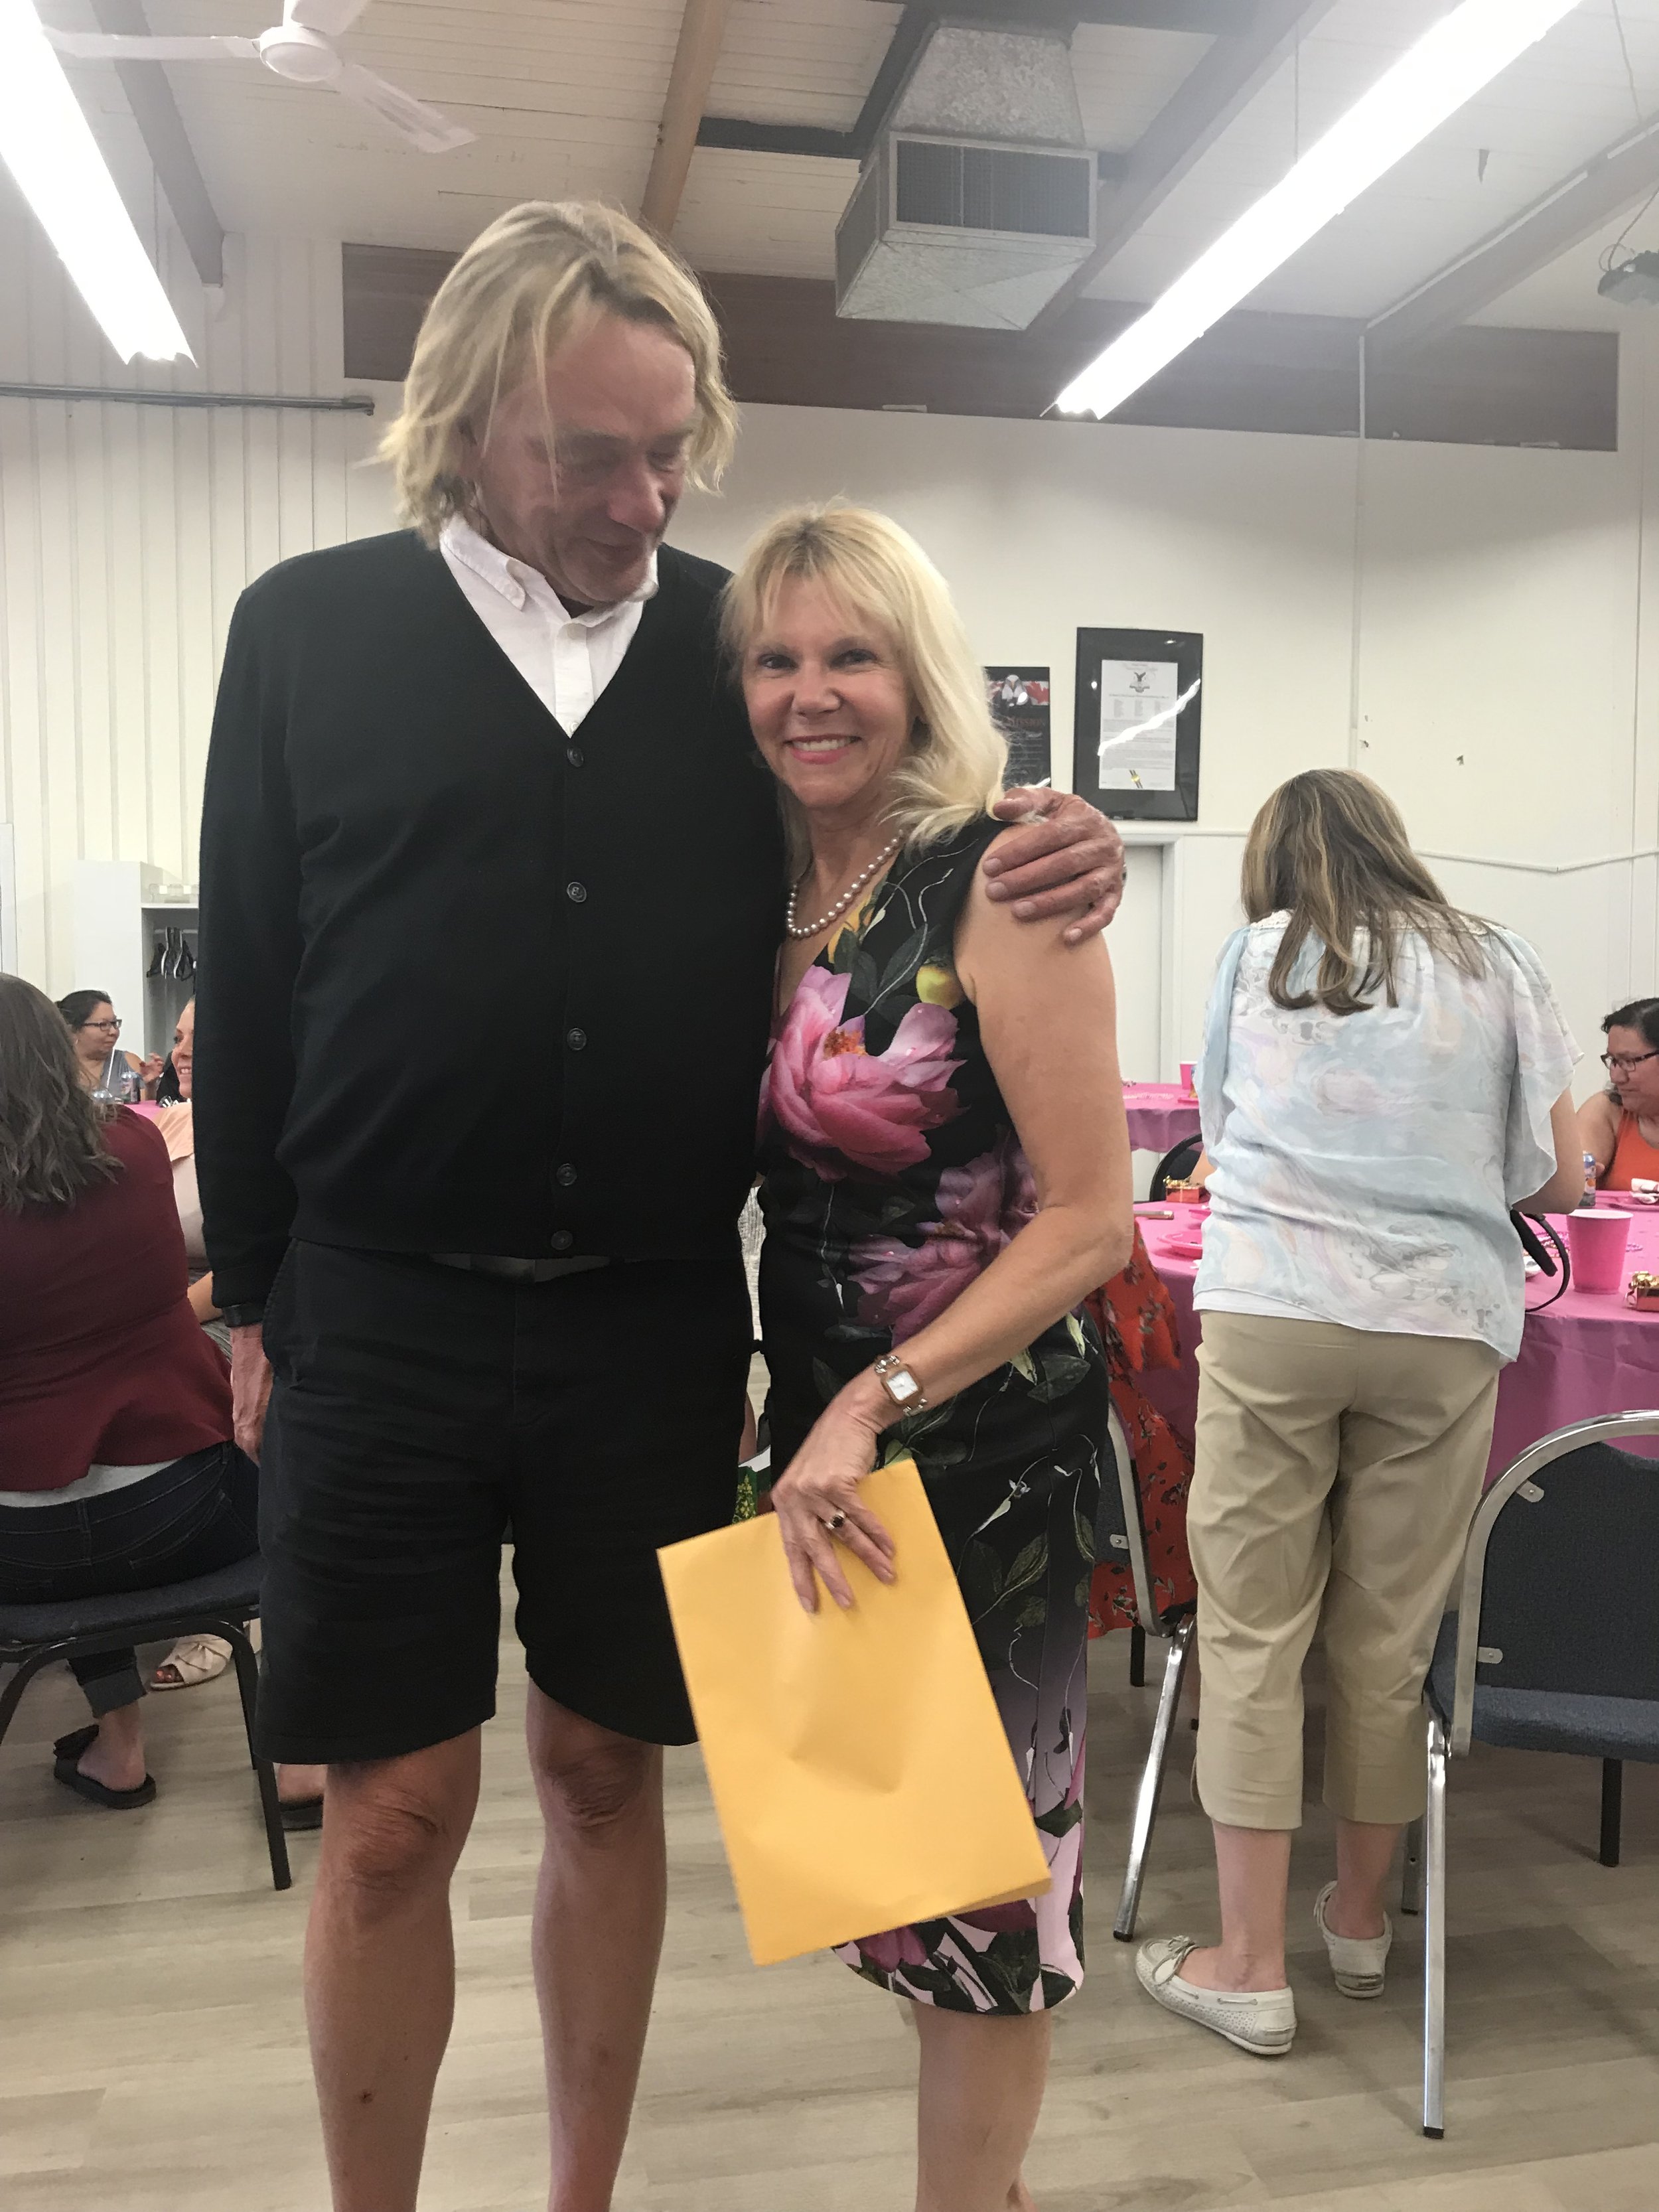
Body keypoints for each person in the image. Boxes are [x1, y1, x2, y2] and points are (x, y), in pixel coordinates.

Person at [192, 198, 1125, 2212]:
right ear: (463, 432)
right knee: (386, 1815)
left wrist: (1054, 833)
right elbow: (248, 983)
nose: (644, 492)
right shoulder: (306, 630)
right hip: (371, 1312)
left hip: (646, 1327)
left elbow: (888, 814)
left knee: (605, 1772)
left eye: (670, 443)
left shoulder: (722, 648)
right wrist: (248, 1305)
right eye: (586, 453)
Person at [731, 505, 1133, 2212]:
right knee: (908, 1905)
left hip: (978, 1458)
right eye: (776, 657)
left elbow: (1094, 1221)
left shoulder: (1000, 874)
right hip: (830, 1472)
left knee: (990, 1923)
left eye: (852, 656)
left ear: (919, 675)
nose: (811, 694)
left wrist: (866, 1397)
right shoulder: (764, 892)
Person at [1136, 770, 1582, 2059]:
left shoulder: (1255, 953)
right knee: (1386, 1644)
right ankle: (1357, 1922)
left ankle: (1245, 1965)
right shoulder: (1496, 957)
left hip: (1276, 1304)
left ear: (1275, 861)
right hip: (1442, 1320)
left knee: (1253, 1631)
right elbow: (1553, 1171)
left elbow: (1217, 1129)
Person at [0, 977, 324, 1820]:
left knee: (62, 1513)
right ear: (53, 1049)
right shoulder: (135, 1153)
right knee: (296, 1500)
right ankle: (301, 1759)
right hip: (174, 1516)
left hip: (15, 1551)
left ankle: (121, 1747)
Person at [141, 998, 236, 1692]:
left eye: (200, 1039)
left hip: (230, 1311)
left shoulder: (255, 1132)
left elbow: (246, 1265)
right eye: (177, 1038)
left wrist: (160, 1321)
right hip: (157, 1308)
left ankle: (215, 1605)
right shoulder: (169, 1120)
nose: (181, 1051)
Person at [1578, 996, 1659, 1191]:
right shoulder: (1607, 1110)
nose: (1616, 1077)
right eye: (1613, 1061)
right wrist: (1578, 1176)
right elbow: (1577, 1168)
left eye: (1628, 1061)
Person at [56, 989, 163, 1100]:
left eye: (114, 1023)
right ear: (73, 1030)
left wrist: (150, 1086)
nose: (114, 1032)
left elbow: (145, 1113)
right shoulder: (54, 1067)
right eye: (103, 1025)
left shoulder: (128, 1063)